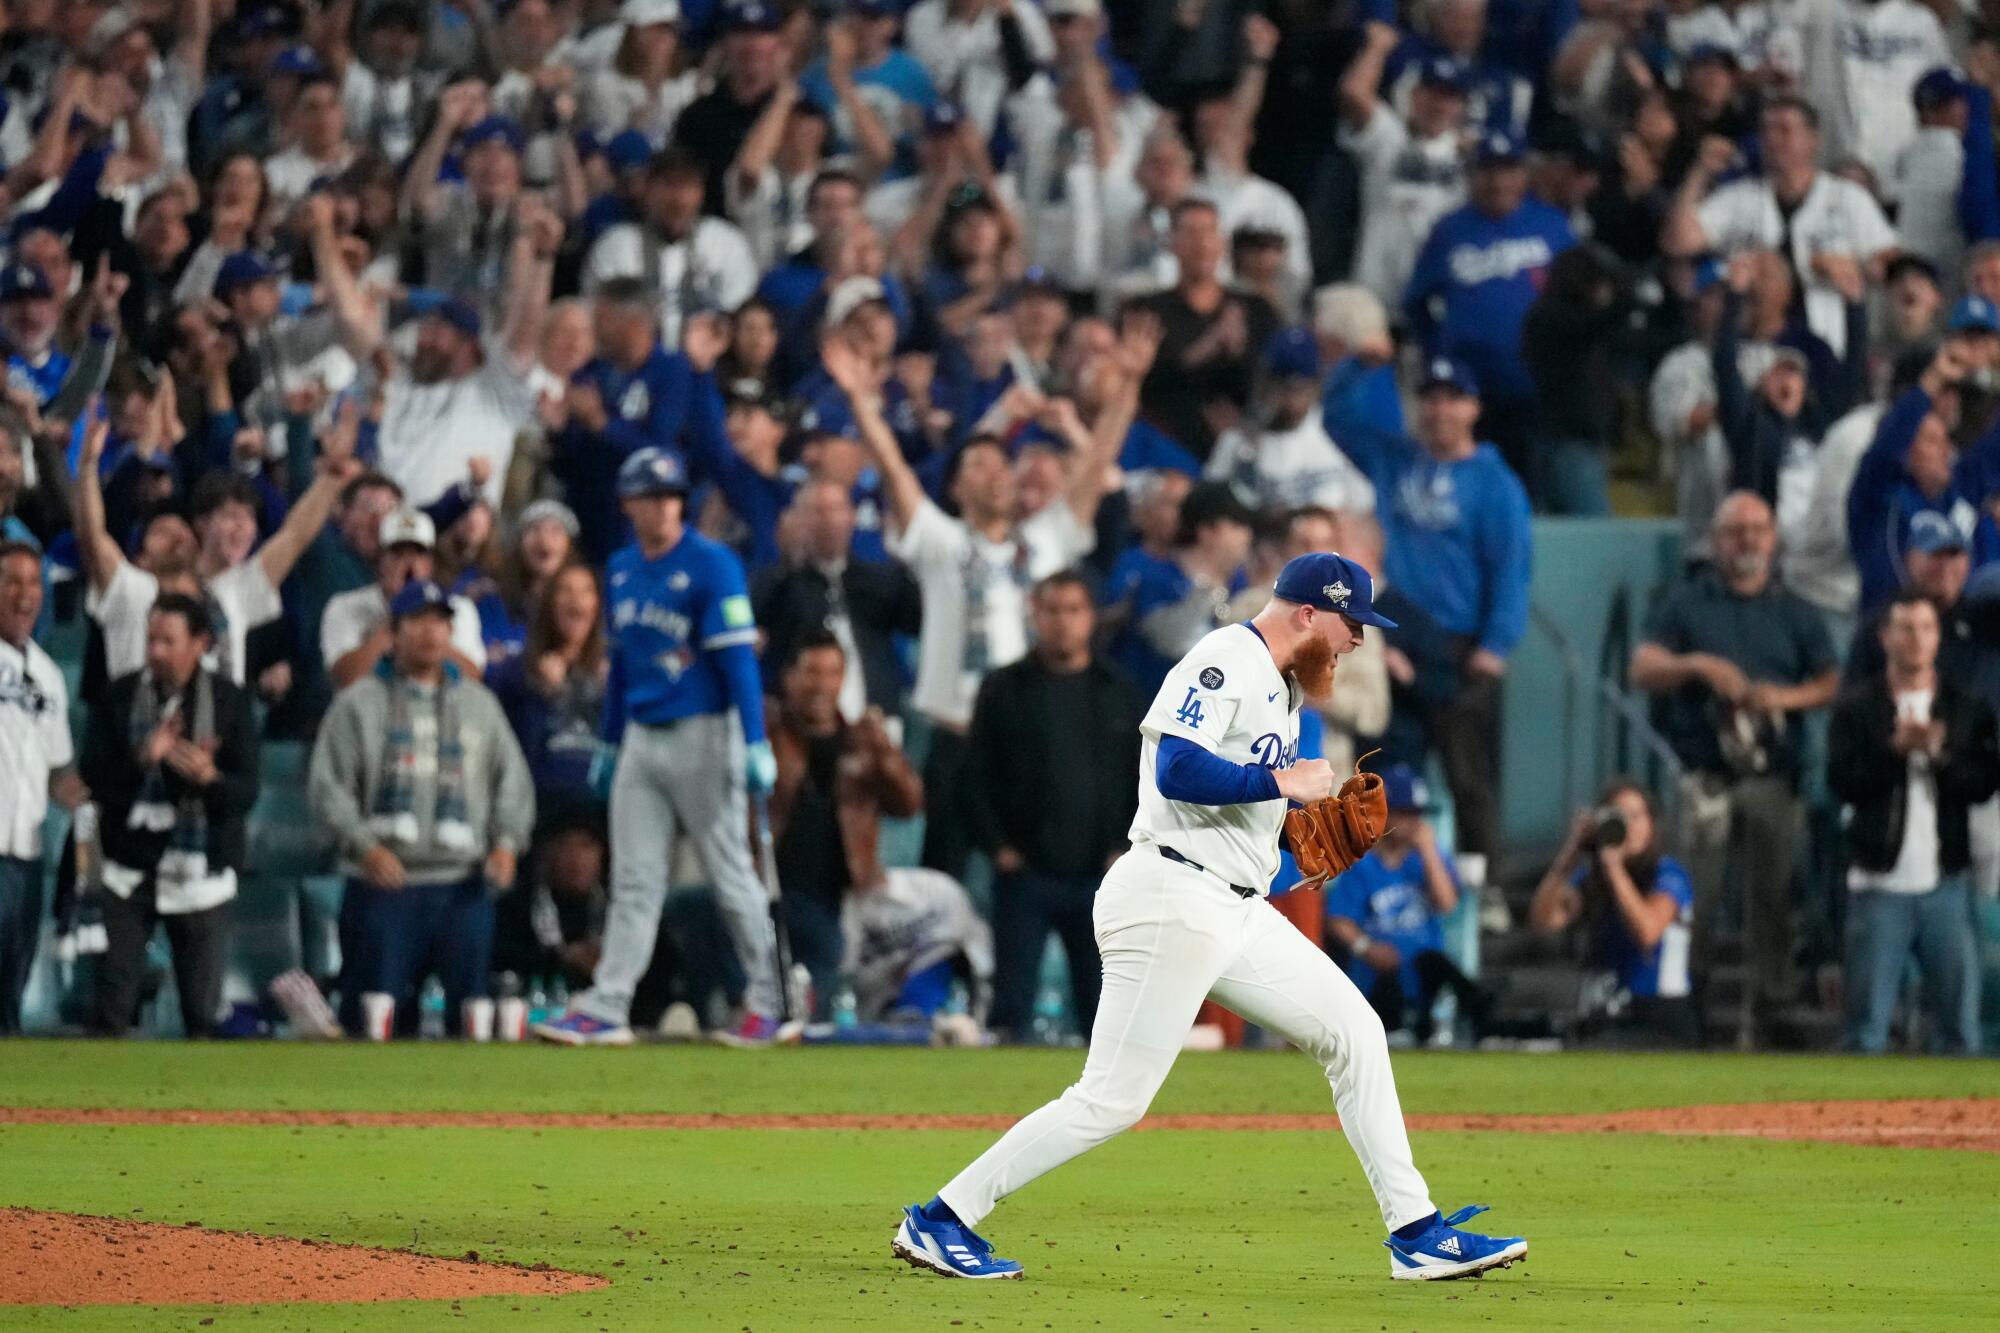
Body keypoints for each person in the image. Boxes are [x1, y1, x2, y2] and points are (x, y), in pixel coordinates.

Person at [892, 553, 1528, 1283]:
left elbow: (1236, 816)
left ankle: (1416, 1231)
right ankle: (943, 1217)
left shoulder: (1285, 690)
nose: (1358, 641)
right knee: (1111, 1099)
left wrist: (1292, 837)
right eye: (1352, 624)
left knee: (1354, 1033)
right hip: (1169, 896)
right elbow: (1176, 769)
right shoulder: (1228, 656)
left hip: (1229, 903)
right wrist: (1281, 780)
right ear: (1308, 614)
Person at [533, 447, 786, 1047]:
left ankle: (770, 998)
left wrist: (754, 740)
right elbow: (621, 666)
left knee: (730, 872)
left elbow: (737, 661)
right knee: (635, 878)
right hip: (643, 735)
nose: (664, 507)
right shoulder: (621, 568)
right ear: (630, 504)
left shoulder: (712, 563)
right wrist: (611, 743)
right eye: (652, 496)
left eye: (672, 496)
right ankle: (608, 1004)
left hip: (705, 730)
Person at [1628, 491, 1838, 1045]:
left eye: (1757, 529)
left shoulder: (1795, 609)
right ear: (1715, 540)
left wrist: (1780, 701)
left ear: (1774, 538)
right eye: (1734, 530)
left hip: (1771, 775)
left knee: (1774, 896)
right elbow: (1642, 667)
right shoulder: (1687, 604)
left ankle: (1771, 1011)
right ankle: (1686, 1007)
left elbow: (1830, 681)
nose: (1747, 540)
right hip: (1707, 777)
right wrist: (1697, 664)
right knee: (1694, 895)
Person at [308, 579, 535, 1038]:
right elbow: (327, 788)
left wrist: (507, 844)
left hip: (463, 885)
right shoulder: (358, 703)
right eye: (417, 621)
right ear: (393, 632)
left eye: (440, 621)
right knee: (372, 1023)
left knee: (470, 1024)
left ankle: (468, 1111)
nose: (431, 633)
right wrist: (365, 847)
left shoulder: (479, 704)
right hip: (384, 884)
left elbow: (511, 782)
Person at [1342, 356, 1531, 899]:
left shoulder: (1495, 485)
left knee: (1467, 773)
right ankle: (1382, 884)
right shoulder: (1395, 458)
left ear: (1474, 408)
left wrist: (1496, 643)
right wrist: (1361, 364)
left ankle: (1482, 885)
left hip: (1459, 642)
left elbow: (1512, 568)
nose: (1440, 408)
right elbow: (1338, 419)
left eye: (1453, 397)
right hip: (1390, 632)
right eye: (1430, 396)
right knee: (1387, 762)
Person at [967, 571, 1142, 1041]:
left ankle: (1103, 1106)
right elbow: (974, 774)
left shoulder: (1118, 690)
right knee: (1011, 1007)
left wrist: (1126, 847)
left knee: (1103, 1009)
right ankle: (995, 1108)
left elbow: (1142, 779)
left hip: (1101, 873)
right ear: (1034, 615)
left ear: (1090, 618)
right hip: (1023, 872)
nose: (1063, 622)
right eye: (1052, 610)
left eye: (1073, 610)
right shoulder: (1003, 689)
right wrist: (997, 846)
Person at [82, 594, 259, 1037]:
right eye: (151, 640)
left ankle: (195, 1107)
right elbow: (94, 778)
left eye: (168, 640)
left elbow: (246, 792)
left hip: (201, 873)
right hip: (129, 869)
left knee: (202, 1013)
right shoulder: (119, 696)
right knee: (112, 1007)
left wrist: (209, 779)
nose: (155, 651)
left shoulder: (229, 702)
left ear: (200, 643)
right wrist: (143, 757)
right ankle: (103, 1106)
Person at [1828, 592, 1997, 1054]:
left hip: (1946, 879)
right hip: (1879, 881)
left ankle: (1959, 1125)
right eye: (1905, 628)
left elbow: (1983, 783)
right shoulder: (1858, 708)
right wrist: (1893, 752)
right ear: (1885, 637)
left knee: (1959, 1030)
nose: (1916, 639)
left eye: (1925, 628)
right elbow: (1842, 783)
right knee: (1866, 1031)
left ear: (1938, 636)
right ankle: (1852, 1123)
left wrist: (1939, 755)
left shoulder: (1964, 706)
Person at [767, 631, 923, 1017]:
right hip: (765, 892)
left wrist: (885, 752)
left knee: (813, 1011)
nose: (822, 684)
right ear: (789, 677)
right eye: (812, 672)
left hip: (830, 902)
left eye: (832, 672)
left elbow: (908, 805)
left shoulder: (861, 739)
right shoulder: (767, 734)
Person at [1528, 780, 1701, 1047]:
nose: (1628, 827)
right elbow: (1543, 921)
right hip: (1602, 1010)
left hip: (1657, 1015)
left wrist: (1614, 867)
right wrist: (1572, 851)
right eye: (1618, 817)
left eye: (1636, 817)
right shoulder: (1591, 880)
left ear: (1651, 825)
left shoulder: (1668, 875)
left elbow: (1648, 931)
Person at [1325, 764, 1487, 1045]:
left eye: (1417, 815)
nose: (1413, 822)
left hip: (1426, 973)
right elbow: (1338, 919)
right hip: (1381, 975)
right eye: (1405, 813)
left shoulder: (1427, 859)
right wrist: (1366, 947)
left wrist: (1429, 853)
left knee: (1438, 967)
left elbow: (1447, 904)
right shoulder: (1363, 862)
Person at [0, 541, 85, 1033]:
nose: (25, 593)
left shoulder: (50, 676)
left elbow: (58, 774)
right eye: (12, 580)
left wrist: (98, 800)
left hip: (26, 855)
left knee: (11, 989)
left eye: (34, 582)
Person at [751, 479, 923, 721]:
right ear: (796, 521)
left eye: (836, 510)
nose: (828, 521)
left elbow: (918, 622)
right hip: (802, 724)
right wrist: (788, 560)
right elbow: (754, 619)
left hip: (876, 718)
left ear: (852, 517)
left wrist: (908, 558)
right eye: (817, 512)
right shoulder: (781, 582)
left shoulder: (880, 578)